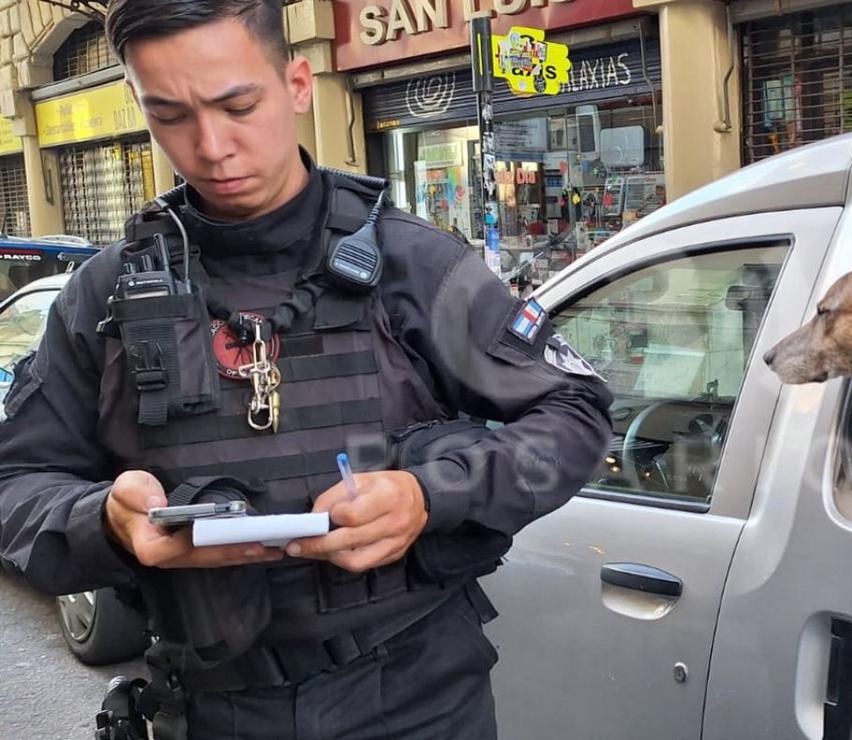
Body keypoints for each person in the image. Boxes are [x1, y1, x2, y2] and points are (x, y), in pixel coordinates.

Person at [0, 2, 613, 738]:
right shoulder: (103, 296)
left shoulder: (414, 265)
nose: (212, 145)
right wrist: (104, 520)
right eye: (170, 115)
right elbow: (16, 486)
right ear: (140, 106)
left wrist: (428, 494)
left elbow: (575, 413)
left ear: (296, 83)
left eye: (238, 104)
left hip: (417, 703)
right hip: (209, 708)